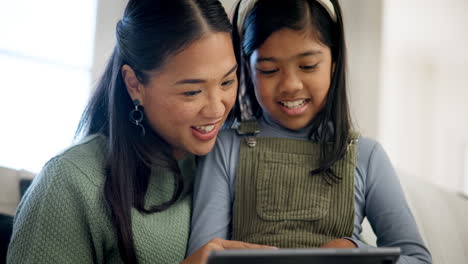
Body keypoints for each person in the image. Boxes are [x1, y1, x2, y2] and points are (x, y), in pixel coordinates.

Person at [6, 0, 274, 263]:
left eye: (227, 81)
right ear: (134, 84)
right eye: (192, 91)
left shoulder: (227, 158)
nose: (217, 109)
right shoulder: (69, 183)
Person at [187, 0, 432, 263]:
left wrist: (356, 251)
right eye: (269, 70)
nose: (290, 85)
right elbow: (204, 256)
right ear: (247, 69)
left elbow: (418, 259)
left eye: (308, 66)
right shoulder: (226, 147)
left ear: (334, 63)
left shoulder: (367, 155)